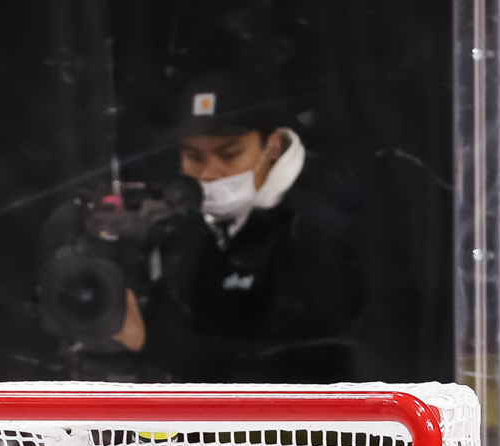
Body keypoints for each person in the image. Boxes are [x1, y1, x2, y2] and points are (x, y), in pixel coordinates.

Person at [116, 71, 364, 382]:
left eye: (229, 153)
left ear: (271, 146)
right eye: (192, 156)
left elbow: (287, 370)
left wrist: (149, 340)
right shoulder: (188, 219)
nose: (208, 173)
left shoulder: (318, 228)